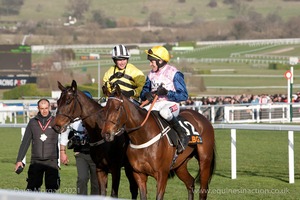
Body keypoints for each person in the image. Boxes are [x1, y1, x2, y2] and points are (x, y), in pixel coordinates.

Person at [140, 46, 189, 154]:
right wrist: (146, 94)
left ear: (160, 61)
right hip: (155, 104)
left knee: (164, 112)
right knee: (140, 114)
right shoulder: (151, 74)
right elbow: (143, 94)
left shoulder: (175, 73)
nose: (150, 64)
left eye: (152, 61)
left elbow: (184, 95)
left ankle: (182, 135)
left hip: (171, 104)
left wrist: (167, 93)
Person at [15, 98, 60, 192]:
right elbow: (25, 142)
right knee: (32, 190)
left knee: (51, 190)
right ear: (38, 108)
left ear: (50, 107)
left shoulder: (56, 121)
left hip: (51, 161)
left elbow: (64, 136)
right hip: (36, 161)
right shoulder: (32, 122)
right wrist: (19, 160)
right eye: (42, 108)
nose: (44, 111)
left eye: (46, 108)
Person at [60, 91, 99, 195]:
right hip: (80, 153)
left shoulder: (96, 117)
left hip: (95, 153)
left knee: (96, 182)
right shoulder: (74, 118)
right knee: (82, 179)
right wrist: (62, 152)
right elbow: (65, 133)